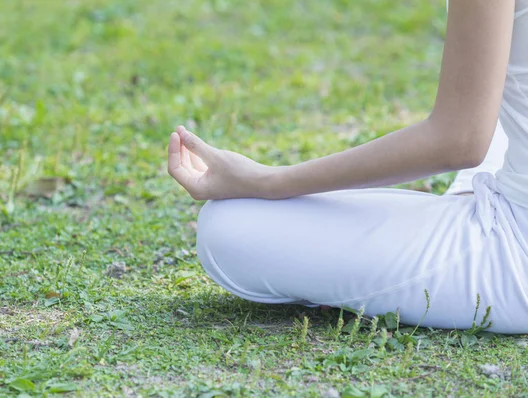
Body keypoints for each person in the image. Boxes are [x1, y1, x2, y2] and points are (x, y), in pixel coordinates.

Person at [167, 0, 528, 334]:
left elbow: (459, 142)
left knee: (229, 228)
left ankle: (469, 225)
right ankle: (464, 209)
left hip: (517, 253)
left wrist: (268, 181)